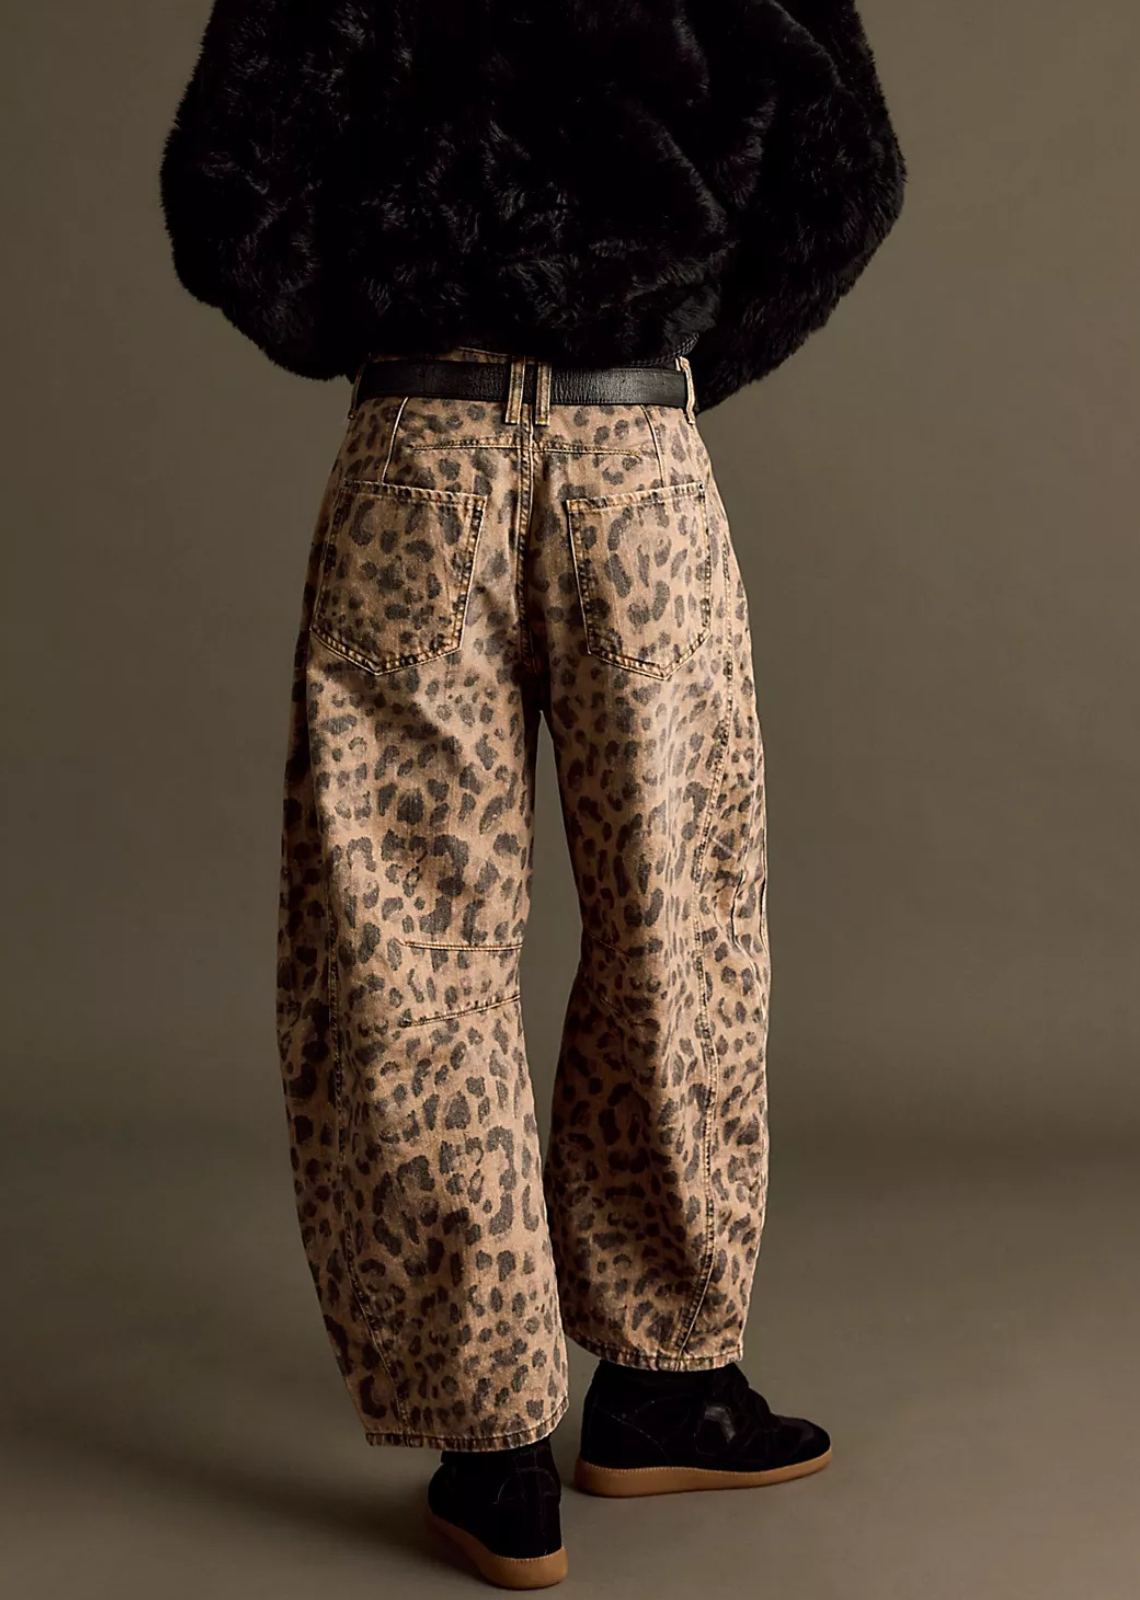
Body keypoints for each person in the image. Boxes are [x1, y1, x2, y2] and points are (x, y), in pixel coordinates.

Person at [160, 1, 905, 1588]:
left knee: (405, 945)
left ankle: (492, 1444)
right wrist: (660, 340)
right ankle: (662, 1380)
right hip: (635, 462)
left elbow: (230, 184)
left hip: (418, 458)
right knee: (683, 920)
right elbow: (846, 170)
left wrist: (391, 324)